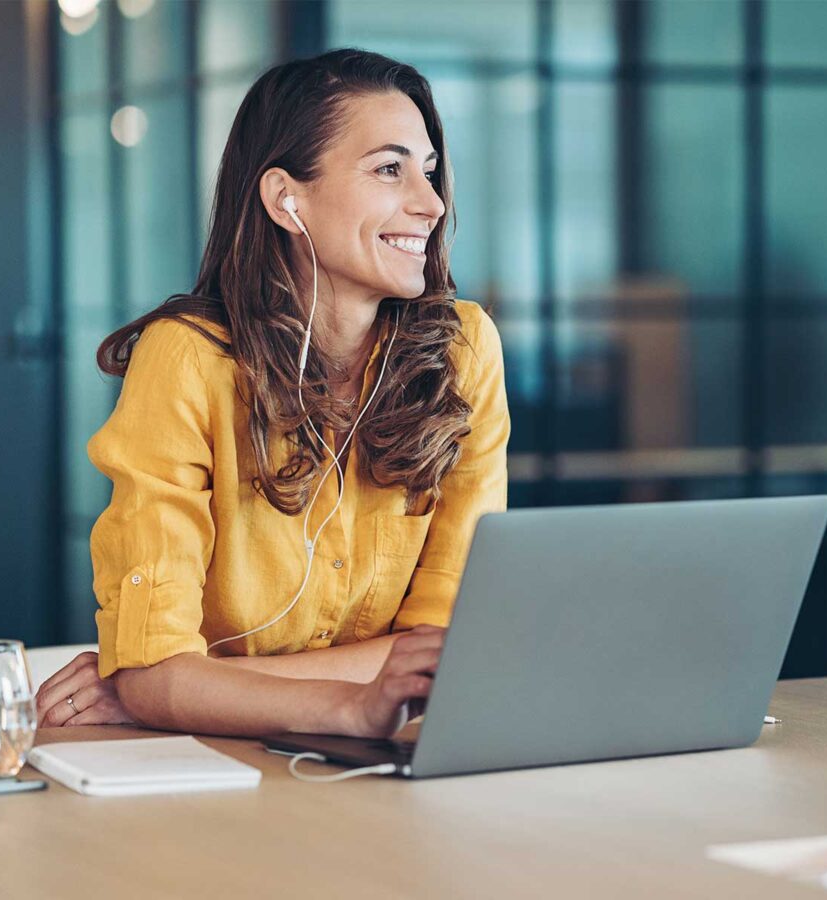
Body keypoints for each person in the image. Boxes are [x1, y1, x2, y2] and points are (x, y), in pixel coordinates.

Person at [35, 49, 509, 740]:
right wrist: (348, 698)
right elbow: (154, 669)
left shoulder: (465, 351)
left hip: (389, 768)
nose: (431, 204)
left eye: (429, 172)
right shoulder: (189, 359)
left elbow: (444, 657)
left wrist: (184, 689)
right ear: (288, 198)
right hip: (216, 776)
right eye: (389, 169)